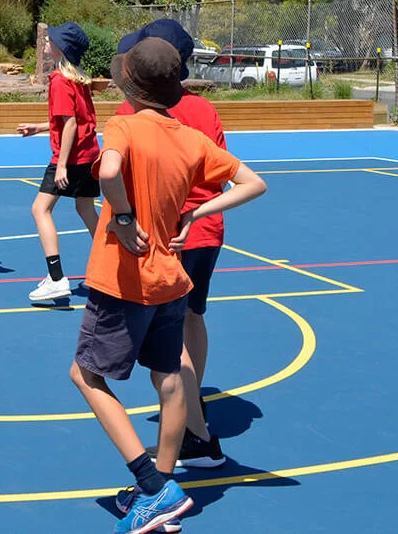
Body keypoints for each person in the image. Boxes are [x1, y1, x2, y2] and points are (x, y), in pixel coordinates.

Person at [70, 37, 266, 534]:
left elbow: (109, 170)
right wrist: (197, 210)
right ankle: (157, 488)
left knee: (86, 376)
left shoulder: (124, 126)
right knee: (171, 378)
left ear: (130, 86)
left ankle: (154, 486)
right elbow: (253, 183)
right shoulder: (191, 138)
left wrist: (123, 216)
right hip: (170, 280)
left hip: (123, 279)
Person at [115, 20, 230, 469]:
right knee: (193, 319)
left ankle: (195, 432)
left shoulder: (136, 113)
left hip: (165, 235)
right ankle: (191, 406)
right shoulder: (203, 109)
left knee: (165, 348)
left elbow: (120, 174)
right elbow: (220, 172)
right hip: (206, 228)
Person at [17, 22, 100, 303]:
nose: (45, 42)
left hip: (72, 158)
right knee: (86, 209)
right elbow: (71, 120)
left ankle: (56, 279)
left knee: (40, 209)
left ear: (60, 48)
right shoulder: (78, 79)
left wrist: (62, 164)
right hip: (90, 155)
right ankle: (109, 268)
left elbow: (71, 124)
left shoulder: (59, 81)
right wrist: (39, 128)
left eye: (49, 39)